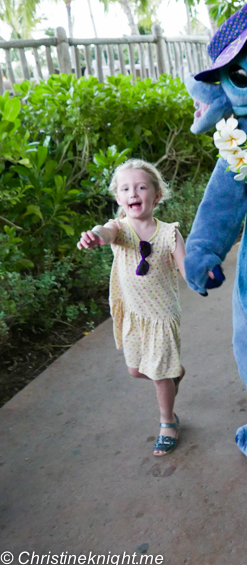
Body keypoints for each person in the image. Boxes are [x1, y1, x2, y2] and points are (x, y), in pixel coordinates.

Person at [77, 159, 188, 457]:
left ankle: (168, 422)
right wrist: (94, 237)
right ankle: (171, 374)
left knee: (159, 374)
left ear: (156, 195)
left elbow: (188, 270)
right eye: (125, 189)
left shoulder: (169, 234)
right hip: (134, 314)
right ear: (118, 199)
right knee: (136, 370)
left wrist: (204, 273)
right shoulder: (120, 229)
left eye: (141, 187)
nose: (133, 193)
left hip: (162, 316)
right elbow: (105, 232)